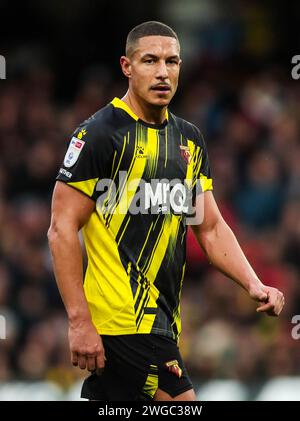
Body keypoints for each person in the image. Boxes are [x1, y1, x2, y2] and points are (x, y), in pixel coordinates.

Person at [48, 21, 285, 401]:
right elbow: (61, 230)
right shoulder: (98, 135)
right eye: (150, 60)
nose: (163, 72)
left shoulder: (189, 139)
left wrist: (253, 283)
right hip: (122, 320)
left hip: (163, 321)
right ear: (127, 66)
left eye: (172, 62)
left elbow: (209, 228)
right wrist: (79, 322)